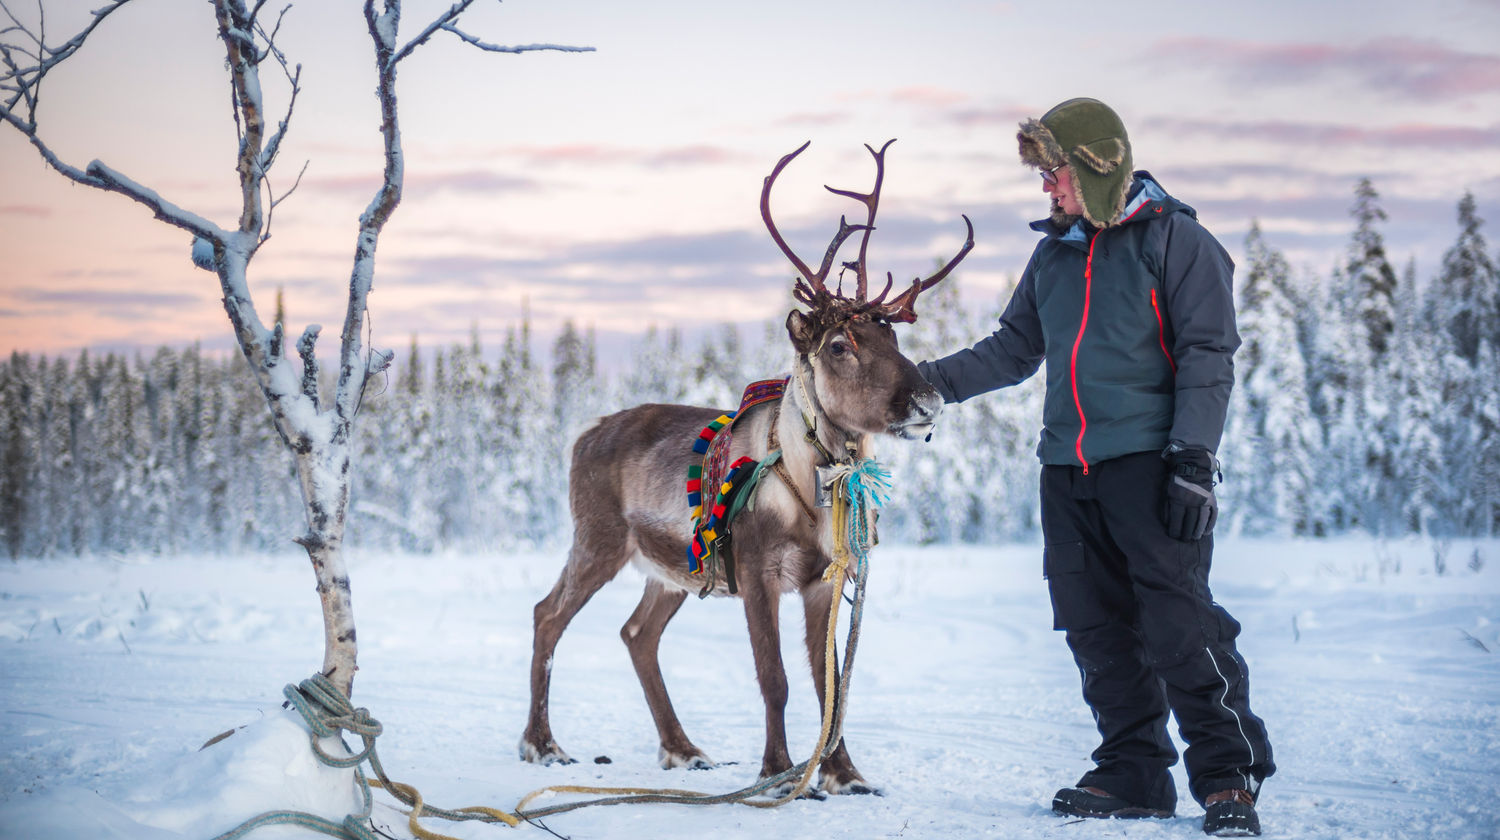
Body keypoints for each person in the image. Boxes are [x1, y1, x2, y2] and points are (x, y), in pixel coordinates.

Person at [917, 97, 1275, 837]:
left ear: (1097, 166)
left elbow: (1210, 355)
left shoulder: (1177, 242)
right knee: (1094, 626)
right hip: (1066, 469)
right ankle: (1134, 769)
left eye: (1056, 173)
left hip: (1151, 463)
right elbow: (1013, 349)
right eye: (1044, 174)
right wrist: (924, 386)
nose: (1046, 188)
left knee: (1181, 622)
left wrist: (1193, 458)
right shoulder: (1053, 255)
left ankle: (1227, 775)